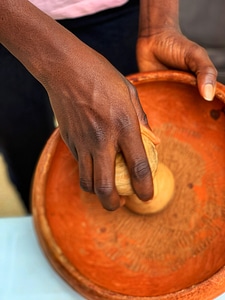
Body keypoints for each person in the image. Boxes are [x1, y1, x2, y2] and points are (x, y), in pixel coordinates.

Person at [0, 0, 217, 213]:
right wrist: (61, 67)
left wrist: (157, 24)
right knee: (27, 153)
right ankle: (37, 214)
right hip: (11, 24)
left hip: (118, 12)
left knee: (133, 135)